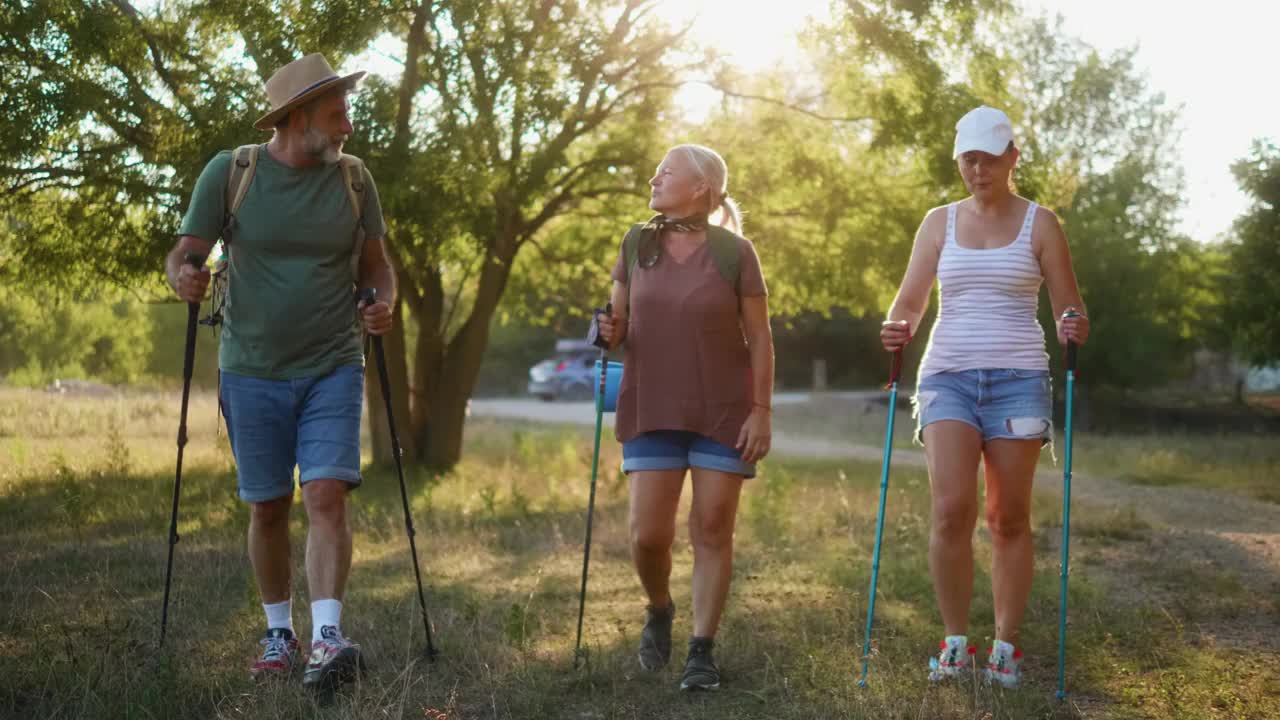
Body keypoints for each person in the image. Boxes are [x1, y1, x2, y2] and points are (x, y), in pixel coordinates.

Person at [166, 53, 395, 691]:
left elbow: (377, 264)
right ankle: (278, 631)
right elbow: (185, 254)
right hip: (251, 366)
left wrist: (383, 302)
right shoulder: (231, 173)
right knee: (267, 506)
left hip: (333, 362)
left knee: (326, 494)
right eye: (337, 113)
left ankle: (327, 637)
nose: (348, 126)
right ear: (297, 118)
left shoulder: (354, 179)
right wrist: (185, 275)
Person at [879, 106, 1090, 688]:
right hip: (947, 376)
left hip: (1018, 380)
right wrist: (895, 327)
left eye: (989, 158)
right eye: (968, 159)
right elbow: (910, 303)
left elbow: (1070, 307)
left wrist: (1074, 322)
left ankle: (1004, 646)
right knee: (952, 510)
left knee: (1008, 516)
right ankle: (953, 642)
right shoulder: (938, 222)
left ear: (1012, 157)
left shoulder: (1041, 224)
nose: (978, 169)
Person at [596, 144, 774, 691]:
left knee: (713, 528)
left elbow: (761, 336)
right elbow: (618, 321)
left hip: (723, 409)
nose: (654, 177)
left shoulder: (735, 252)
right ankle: (659, 607)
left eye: (666, 171)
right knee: (647, 536)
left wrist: (761, 411)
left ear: (700, 187)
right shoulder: (635, 242)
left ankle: (702, 650)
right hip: (652, 404)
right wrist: (607, 330)